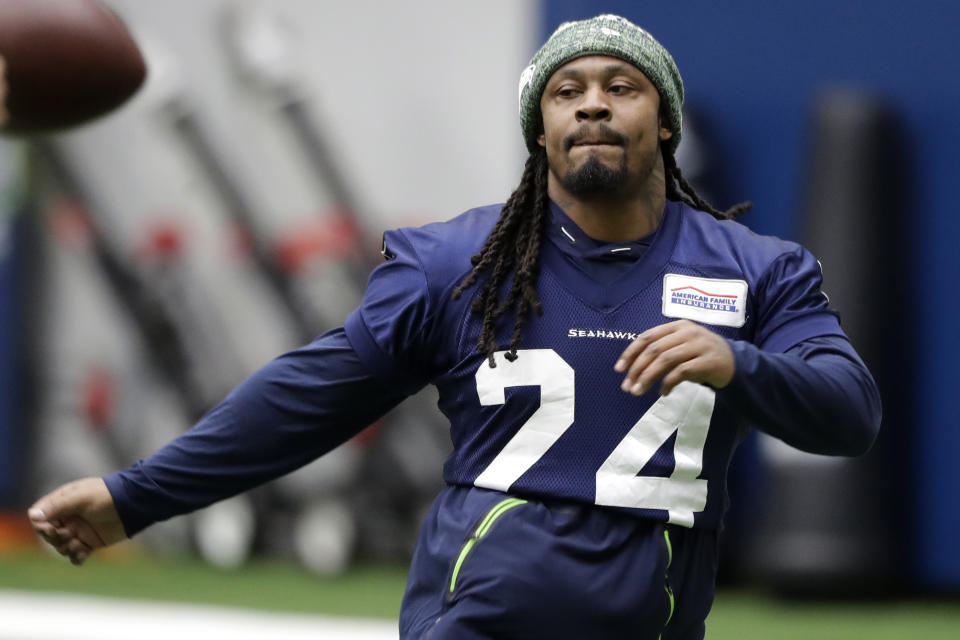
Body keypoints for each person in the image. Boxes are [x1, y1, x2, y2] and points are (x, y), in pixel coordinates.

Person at [28, 14, 881, 640]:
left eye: (620, 88)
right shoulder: (454, 263)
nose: (591, 106)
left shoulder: (754, 268)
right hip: (478, 620)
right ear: (538, 130)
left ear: (663, 123)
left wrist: (739, 364)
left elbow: (852, 413)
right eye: (565, 92)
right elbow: (308, 397)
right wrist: (134, 497)